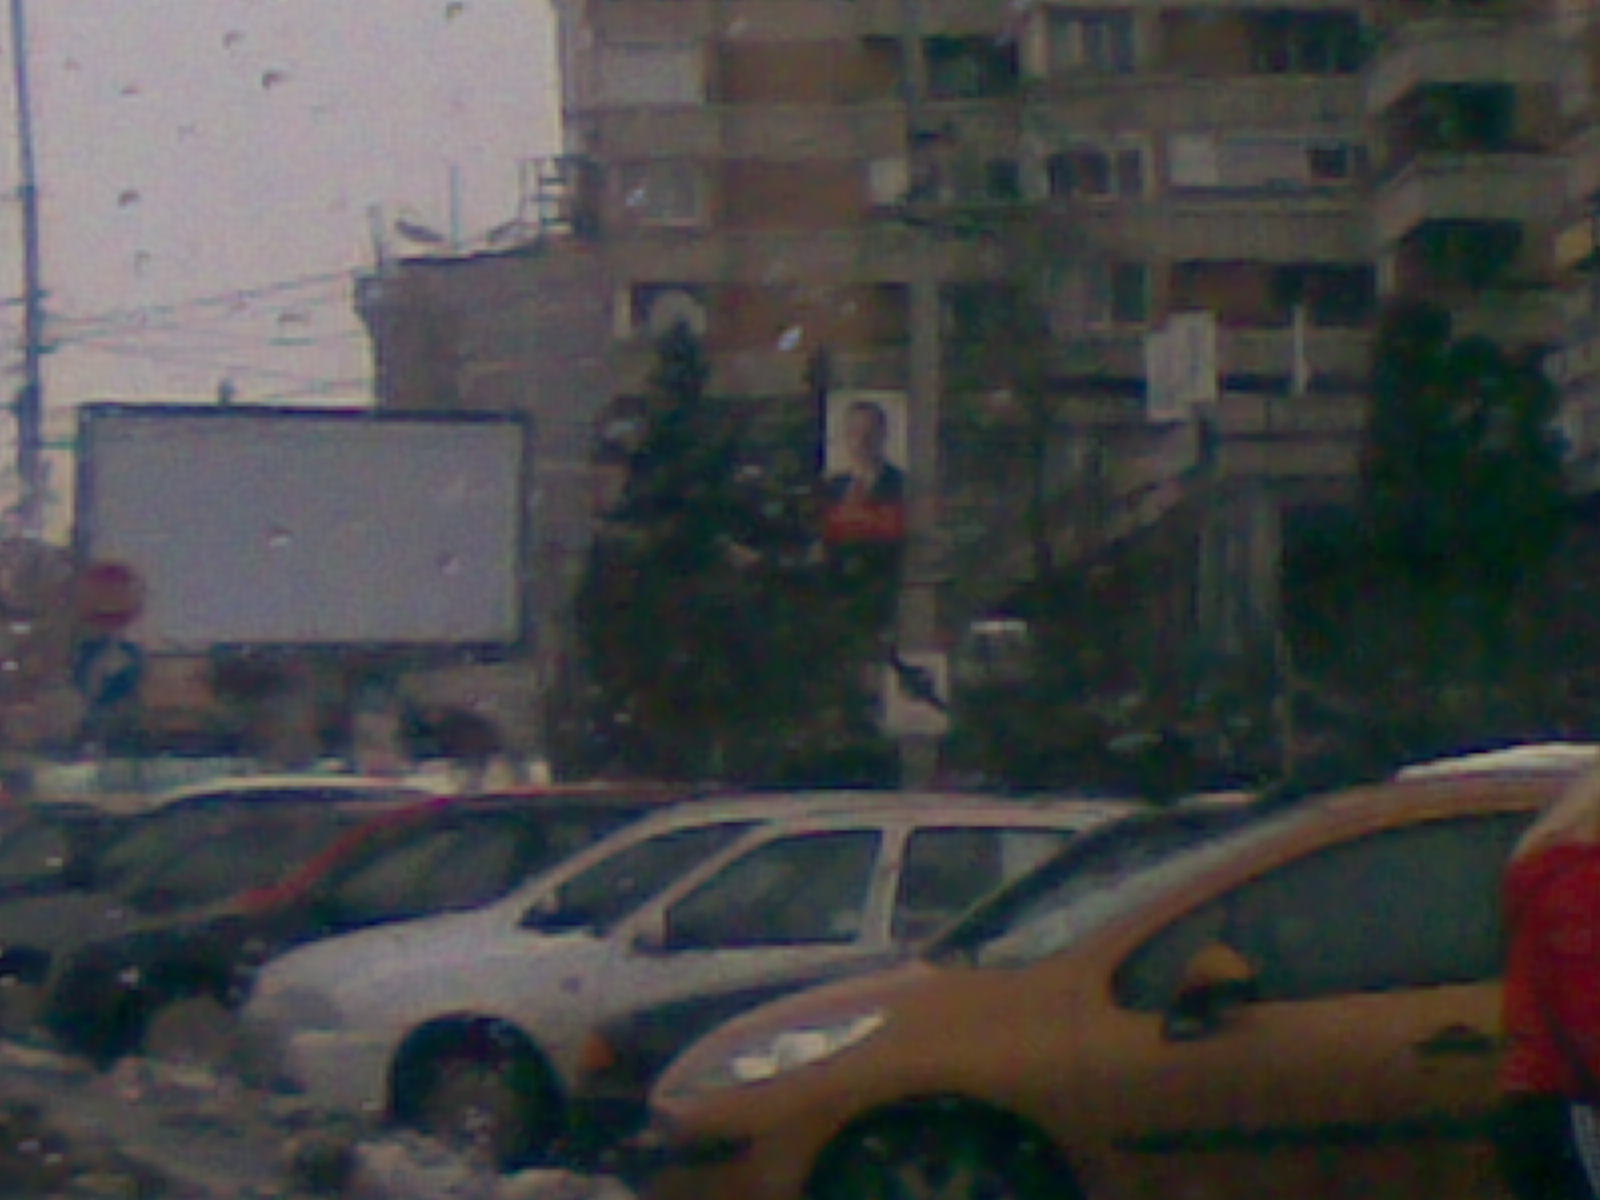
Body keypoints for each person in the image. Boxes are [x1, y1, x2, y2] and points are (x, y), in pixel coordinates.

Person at [1497, 764, 1600, 1198]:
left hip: (1547, 1101)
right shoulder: (1584, 889)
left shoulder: (1551, 876)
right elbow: (1588, 1015)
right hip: (1574, 1106)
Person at [823, 400, 906, 546]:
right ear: (845, 436)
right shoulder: (832, 487)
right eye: (855, 432)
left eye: (870, 432)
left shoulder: (903, 484)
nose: (862, 441)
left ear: (884, 434)